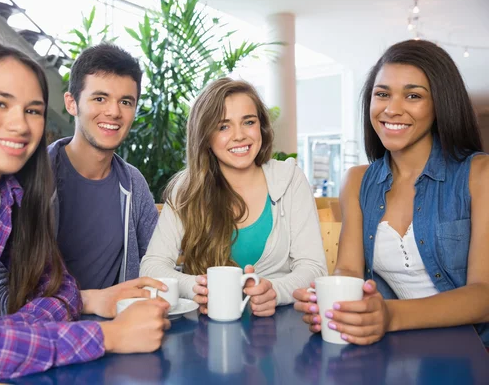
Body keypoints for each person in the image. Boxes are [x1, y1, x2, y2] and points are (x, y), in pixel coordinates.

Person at [0, 41, 170, 384]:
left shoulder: (12, 195)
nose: (19, 124)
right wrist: (109, 337)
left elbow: (64, 294)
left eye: (33, 110)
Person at [293, 39, 489, 347]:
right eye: (382, 94)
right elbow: (348, 269)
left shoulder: (480, 174)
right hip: (394, 353)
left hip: (473, 353)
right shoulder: (357, 180)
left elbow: (484, 295)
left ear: (440, 103)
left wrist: (391, 316)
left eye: (413, 95)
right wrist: (333, 300)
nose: (392, 109)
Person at [0, 43, 164, 319]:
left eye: (126, 102)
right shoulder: (27, 181)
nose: (114, 112)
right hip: (41, 340)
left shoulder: (133, 183)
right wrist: (86, 301)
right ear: (72, 103)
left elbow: (158, 265)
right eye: (99, 99)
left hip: (120, 335)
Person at [140, 78, 327, 316]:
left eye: (248, 122)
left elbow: (314, 268)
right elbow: (151, 267)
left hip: (280, 330)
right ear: (205, 136)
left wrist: (274, 291)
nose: (239, 136)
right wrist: (196, 287)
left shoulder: (289, 178)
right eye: (223, 126)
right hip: (206, 333)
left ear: (261, 127)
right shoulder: (186, 189)